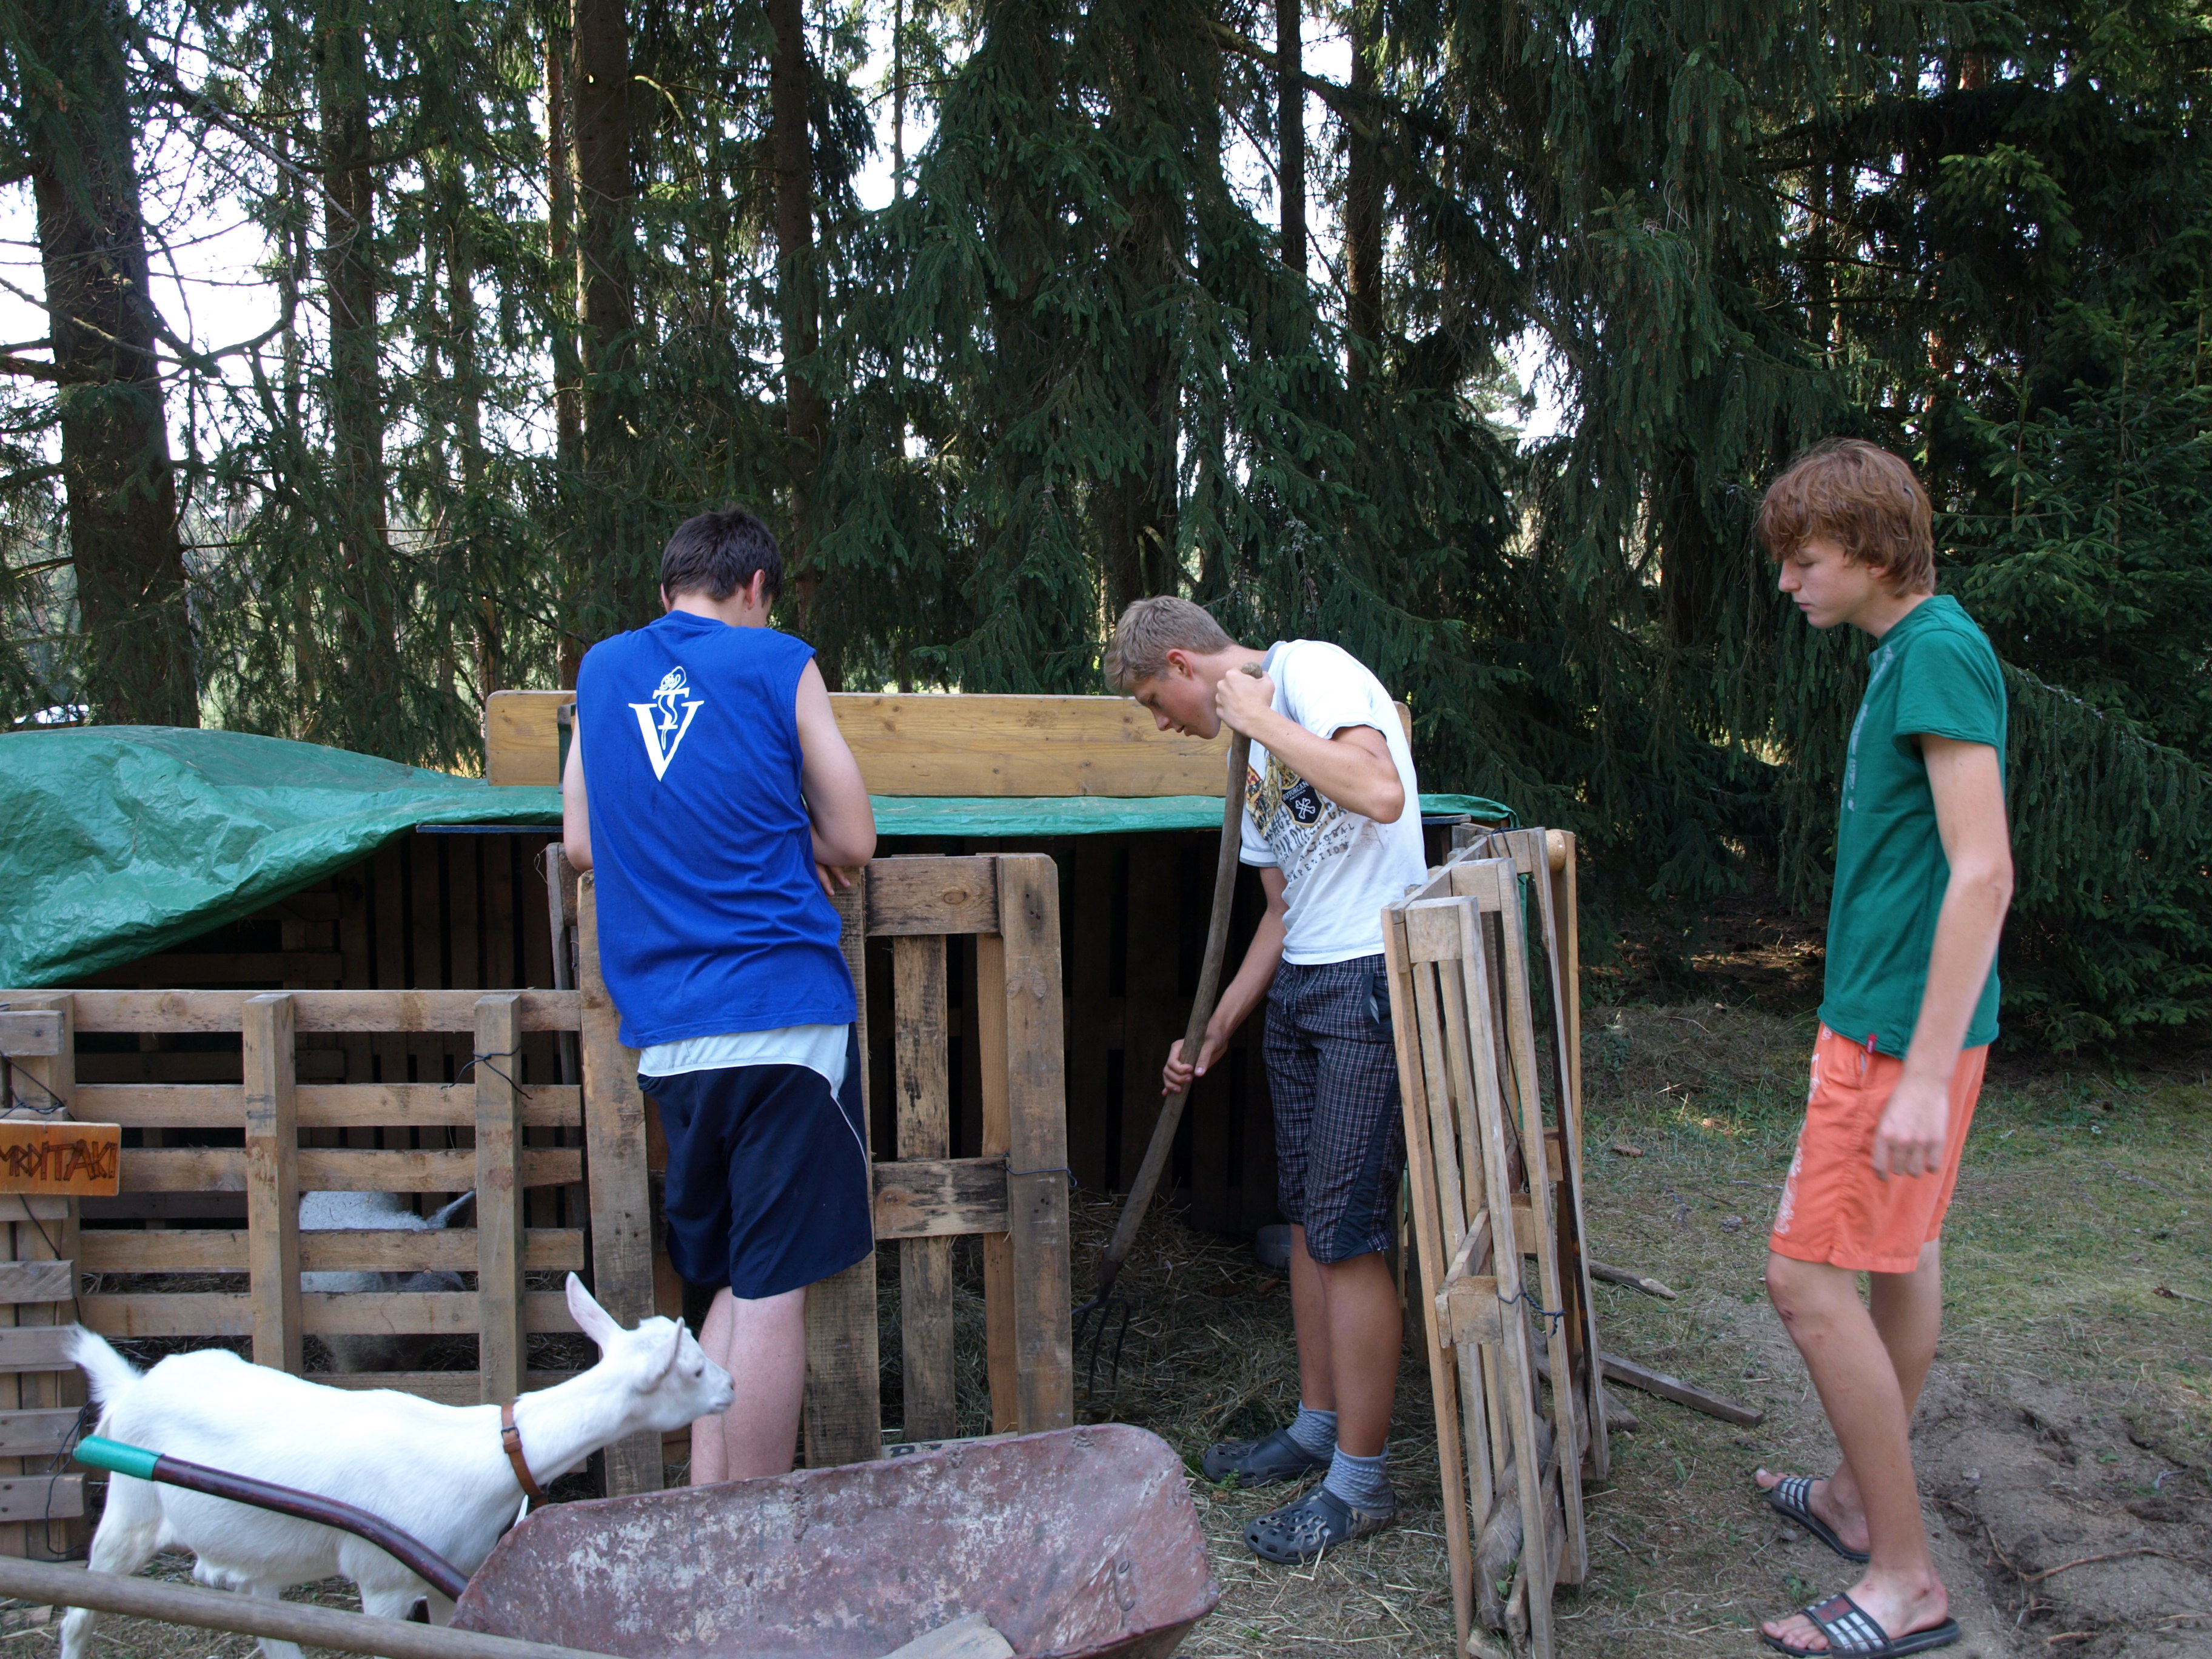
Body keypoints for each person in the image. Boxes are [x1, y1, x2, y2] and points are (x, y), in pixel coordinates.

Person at [1752, 440, 2012, 1658]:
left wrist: (1922, 1073)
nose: (1790, 582)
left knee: (1805, 1283)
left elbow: (1983, 870)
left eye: (1805, 561)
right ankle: (1861, 1502)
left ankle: (1906, 1583)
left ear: (1867, 551)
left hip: (1899, 1035)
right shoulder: (1907, 652)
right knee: (1900, 1258)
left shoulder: (1941, 651)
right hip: (1891, 1020)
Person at [1105, 595, 1424, 1564]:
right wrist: (1219, 1024)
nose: (1163, 722)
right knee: (1308, 1224)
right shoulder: (1249, 758)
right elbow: (1281, 912)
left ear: (1182, 663)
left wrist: (1258, 716)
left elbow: (1380, 792)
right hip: (1304, 987)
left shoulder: (1310, 672)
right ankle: (1318, 1428)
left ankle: (1361, 1486)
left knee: (1350, 1234)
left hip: (1369, 978)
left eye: (1155, 700)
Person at [561, 508, 877, 1484]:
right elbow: (854, 838)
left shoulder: (602, 672)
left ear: (666, 593)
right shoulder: (778, 661)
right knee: (775, 1285)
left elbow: (581, 843)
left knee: (732, 1277)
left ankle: (710, 1507)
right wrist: (795, 843)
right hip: (784, 1022)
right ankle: (757, 1530)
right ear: (755, 588)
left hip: (669, 1033)